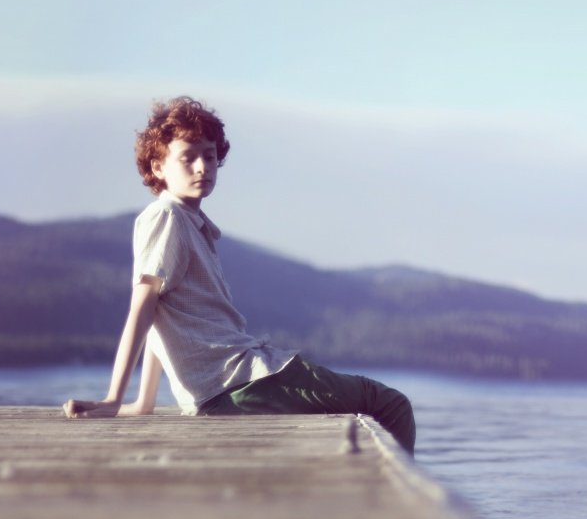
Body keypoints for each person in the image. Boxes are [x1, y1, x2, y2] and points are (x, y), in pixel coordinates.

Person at [64, 96, 416, 453]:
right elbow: (144, 304)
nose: (203, 167)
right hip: (237, 385)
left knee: (360, 421)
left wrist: (143, 402)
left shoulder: (186, 222)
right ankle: (405, 508)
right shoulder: (167, 217)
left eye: (210, 156)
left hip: (230, 387)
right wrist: (112, 398)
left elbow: (162, 310)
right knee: (390, 403)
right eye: (188, 157)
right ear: (157, 167)